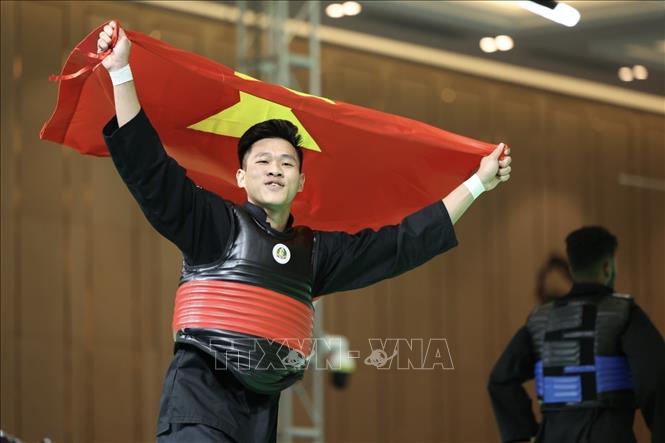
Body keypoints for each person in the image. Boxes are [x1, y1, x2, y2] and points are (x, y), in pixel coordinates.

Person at [97, 21, 512, 442]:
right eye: (262, 161)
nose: (275, 168)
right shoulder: (213, 225)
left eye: (287, 162)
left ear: (301, 183)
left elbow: (402, 244)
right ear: (240, 177)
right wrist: (120, 72)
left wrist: (478, 184)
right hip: (198, 408)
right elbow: (150, 170)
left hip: (261, 415)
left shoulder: (316, 253)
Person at [488, 226, 665, 443]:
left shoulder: (540, 320)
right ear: (608, 267)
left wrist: (527, 433)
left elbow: (500, 379)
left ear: (571, 269)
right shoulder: (623, 313)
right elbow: (657, 377)